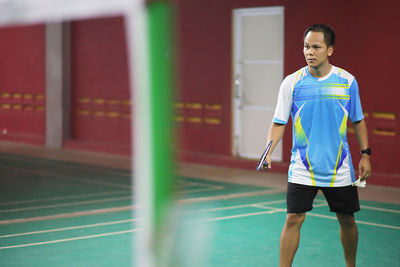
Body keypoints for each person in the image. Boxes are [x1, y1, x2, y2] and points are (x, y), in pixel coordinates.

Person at [262, 24, 371, 267]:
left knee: (347, 219)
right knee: (293, 219)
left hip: (339, 167)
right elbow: (279, 122)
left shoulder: (347, 81)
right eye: (306, 46)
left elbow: (358, 120)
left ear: (330, 49)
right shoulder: (292, 83)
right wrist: (268, 150)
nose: (309, 52)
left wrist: (365, 155)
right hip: (302, 166)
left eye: (316, 47)